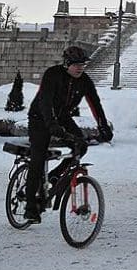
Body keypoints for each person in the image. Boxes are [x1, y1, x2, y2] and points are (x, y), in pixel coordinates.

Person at [23, 46, 113, 223]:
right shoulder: (53, 74)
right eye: (76, 65)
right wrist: (51, 125)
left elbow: (95, 103)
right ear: (66, 64)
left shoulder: (84, 80)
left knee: (81, 146)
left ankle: (55, 175)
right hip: (40, 117)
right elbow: (45, 101)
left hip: (63, 116)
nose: (80, 68)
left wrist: (103, 126)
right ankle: (30, 205)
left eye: (82, 65)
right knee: (38, 157)